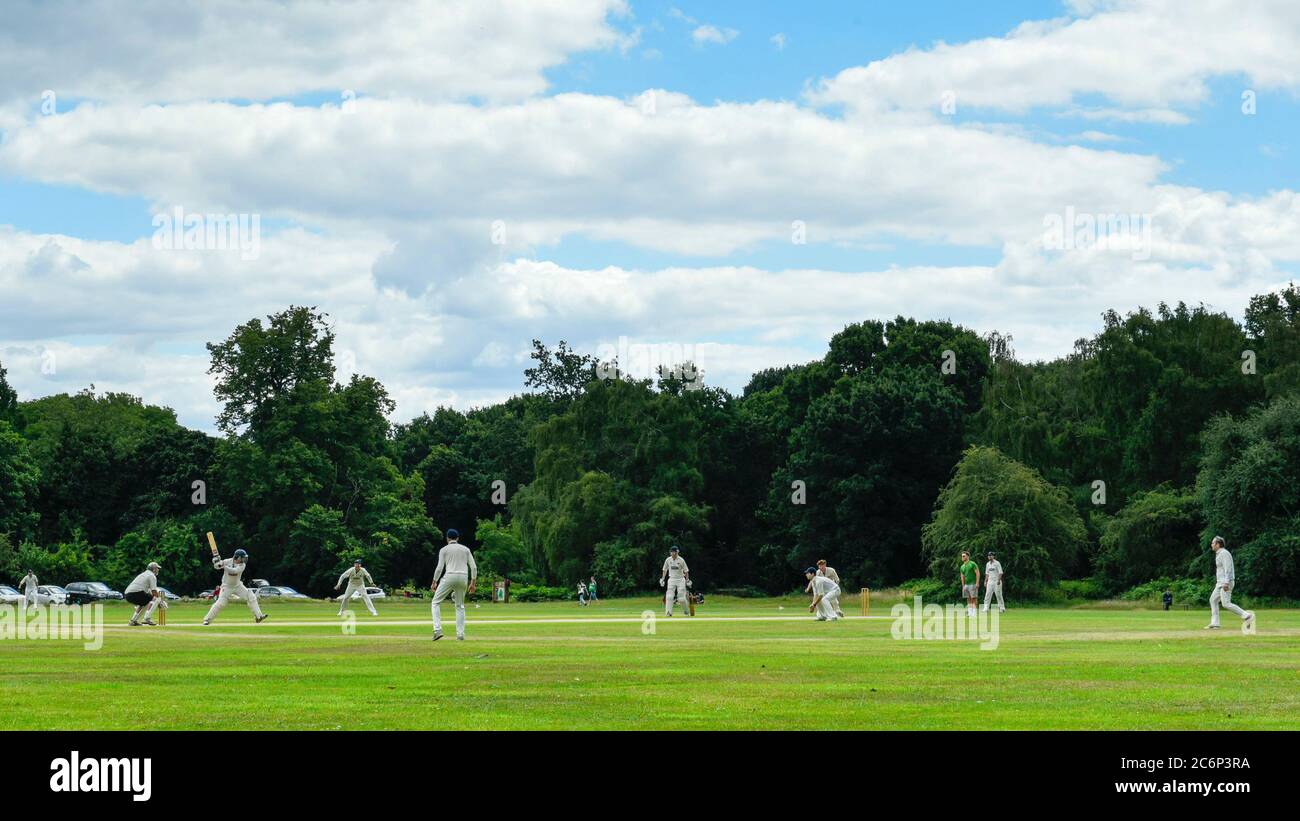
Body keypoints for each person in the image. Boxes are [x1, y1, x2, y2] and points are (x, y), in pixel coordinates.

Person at [431, 529, 477, 641]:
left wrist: (434, 581)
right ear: (457, 538)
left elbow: (439, 568)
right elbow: (474, 567)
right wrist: (473, 583)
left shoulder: (444, 550)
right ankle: (460, 634)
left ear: (447, 538)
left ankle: (437, 630)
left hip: (450, 576)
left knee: (435, 602)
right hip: (463, 577)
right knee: (460, 606)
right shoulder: (465, 549)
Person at [203, 548, 268, 625]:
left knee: (251, 596)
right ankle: (207, 619)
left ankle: (259, 616)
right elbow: (216, 567)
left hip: (238, 586)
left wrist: (223, 566)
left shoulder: (242, 565)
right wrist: (216, 562)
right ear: (238, 557)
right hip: (226, 587)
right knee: (221, 603)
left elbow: (234, 571)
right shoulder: (228, 561)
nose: (244, 559)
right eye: (242, 557)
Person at [1205, 536, 1254, 630]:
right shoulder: (1219, 554)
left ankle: (1247, 616)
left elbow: (1228, 569)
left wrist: (1226, 582)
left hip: (1225, 583)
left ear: (1218, 544)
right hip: (1220, 583)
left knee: (1226, 604)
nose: (1211, 545)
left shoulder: (1224, 553)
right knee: (1213, 600)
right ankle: (1215, 623)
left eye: (1213, 543)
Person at [659, 545, 691, 617]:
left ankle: (686, 611)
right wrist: (662, 579)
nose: (674, 554)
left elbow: (686, 571)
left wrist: (687, 580)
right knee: (669, 596)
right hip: (671, 579)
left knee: (681, 598)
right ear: (670, 553)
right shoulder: (668, 560)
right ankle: (668, 612)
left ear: (677, 552)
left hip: (680, 579)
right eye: (672, 552)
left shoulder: (681, 560)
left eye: (675, 552)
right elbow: (665, 570)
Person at [959, 551, 980, 617]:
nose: (962, 557)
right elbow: (962, 577)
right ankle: (970, 612)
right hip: (966, 585)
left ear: (967, 556)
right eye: (962, 556)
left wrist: (977, 583)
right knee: (968, 599)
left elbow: (977, 573)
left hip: (973, 584)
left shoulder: (972, 564)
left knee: (973, 598)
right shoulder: (962, 566)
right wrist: (963, 586)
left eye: (964, 556)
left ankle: (974, 613)